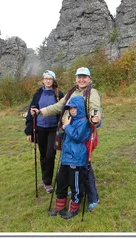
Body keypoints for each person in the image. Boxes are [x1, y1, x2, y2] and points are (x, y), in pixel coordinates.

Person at [34, 67, 101, 211]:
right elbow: (59, 106)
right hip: (68, 133)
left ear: (89, 79)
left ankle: (93, 197)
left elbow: (95, 109)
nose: (81, 80)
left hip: (82, 134)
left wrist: (95, 117)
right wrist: (41, 112)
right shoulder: (72, 92)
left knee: (84, 165)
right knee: (72, 163)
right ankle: (76, 188)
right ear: (76, 78)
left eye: (84, 77)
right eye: (79, 77)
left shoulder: (92, 93)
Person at [48, 96, 91, 219]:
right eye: (70, 108)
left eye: (74, 108)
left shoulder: (84, 122)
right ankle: (59, 206)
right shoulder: (69, 120)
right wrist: (63, 128)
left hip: (77, 158)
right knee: (61, 181)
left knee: (75, 184)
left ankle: (74, 208)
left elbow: (77, 136)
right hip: (66, 157)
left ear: (81, 108)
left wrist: (67, 126)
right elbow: (62, 135)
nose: (72, 110)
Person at [24, 70, 64, 194]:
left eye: (50, 79)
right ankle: (45, 177)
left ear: (53, 81)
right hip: (40, 128)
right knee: (43, 155)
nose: (48, 81)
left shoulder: (59, 94)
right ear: (42, 80)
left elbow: (64, 111)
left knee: (50, 155)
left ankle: (47, 182)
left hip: (53, 128)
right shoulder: (38, 94)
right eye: (46, 78)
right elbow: (31, 112)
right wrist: (29, 131)